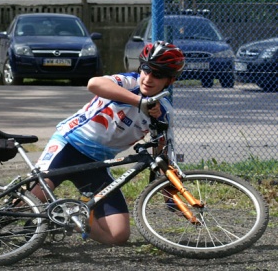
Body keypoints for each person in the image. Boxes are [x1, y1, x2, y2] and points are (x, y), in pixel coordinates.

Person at [33, 41, 185, 245]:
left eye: (157, 75)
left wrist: (171, 197)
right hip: (68, 146)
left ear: (170, 81)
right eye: (145, 70)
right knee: (31, 201)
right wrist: (139, 102)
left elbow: (162, 155)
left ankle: (64, 217)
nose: (148, 79)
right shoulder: (127, 82)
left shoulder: (164, 112)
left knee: (118, 235)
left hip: (97, 163)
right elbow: (94, 84)